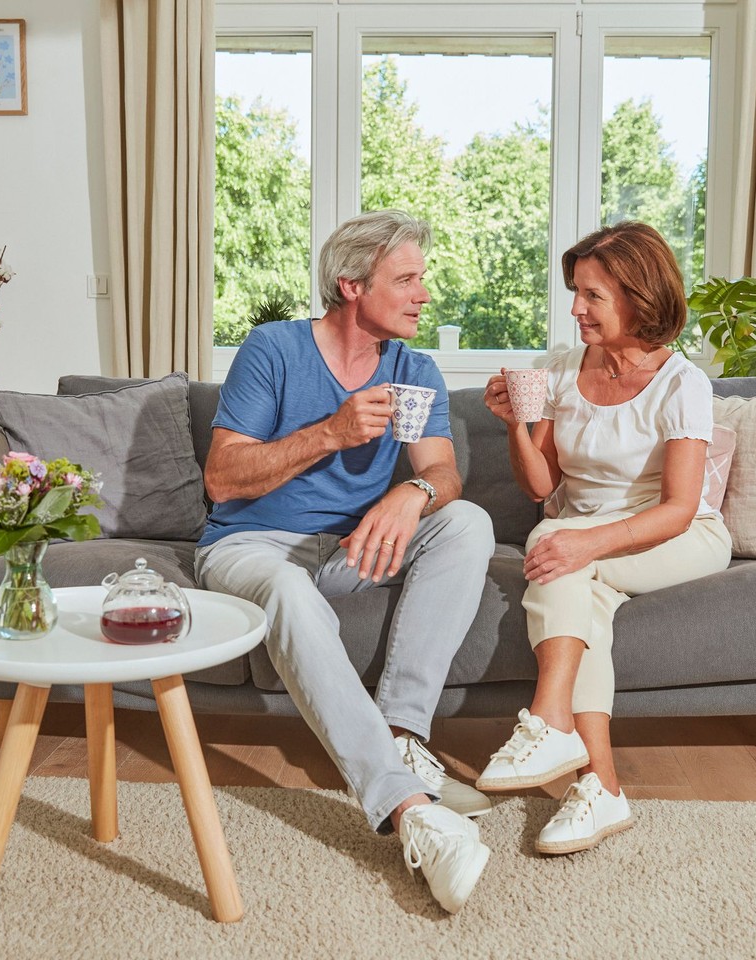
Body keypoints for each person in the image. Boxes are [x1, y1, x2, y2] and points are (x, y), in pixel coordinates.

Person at [195, 210, 496, 912]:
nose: (425, 294)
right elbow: (222, 479)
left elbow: (444, 474)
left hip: (358, 547)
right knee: (287, 591)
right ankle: (409, 810)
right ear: (350, 284)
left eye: (424, 277)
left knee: (468, 522)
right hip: (252, 545)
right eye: (408, 278)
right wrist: (330, 432)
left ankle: (401, 736)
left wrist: (412, 493)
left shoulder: (414, 368)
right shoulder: (273, 349)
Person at [476, 221, 732, 854]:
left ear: (639, 297)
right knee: (569, 567)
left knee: (559, 555)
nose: (575, 308)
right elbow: (540, 486)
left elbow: (677, 508)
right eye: (575, 291)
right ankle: (601, 787)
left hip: (677, 533)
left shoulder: (681, 384)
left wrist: (586, 544)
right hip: (584, 532)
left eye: (592, 295)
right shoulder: (563, 369)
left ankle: (551, 722)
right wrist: (517, 425)